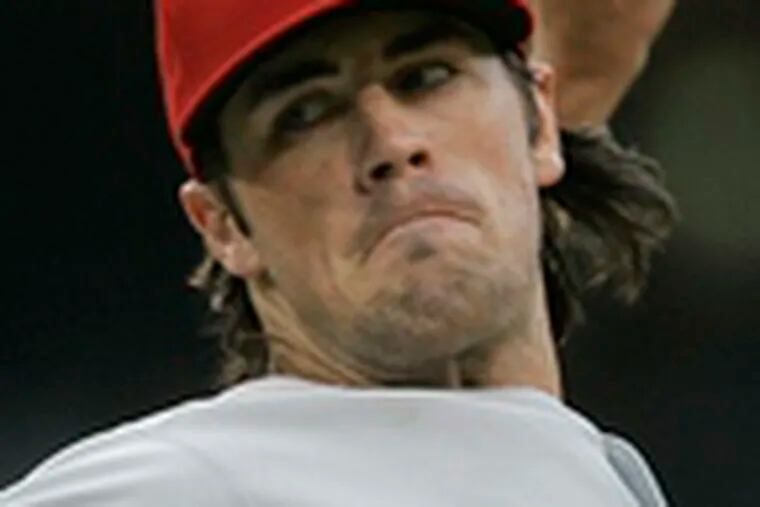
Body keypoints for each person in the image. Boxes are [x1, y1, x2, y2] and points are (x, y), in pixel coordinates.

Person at [1, 0, 678, 505]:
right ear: (223, 225)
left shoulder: (581, 468)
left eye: (426, 76)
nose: (392, 142)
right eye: (304, 114)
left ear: (542, 125)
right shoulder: (195, 478)